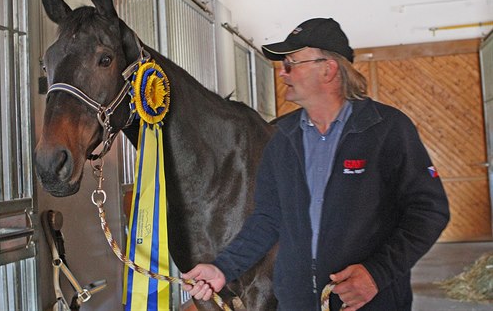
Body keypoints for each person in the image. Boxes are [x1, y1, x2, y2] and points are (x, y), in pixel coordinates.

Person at [182, 18, 450, 310]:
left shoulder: (387, 130)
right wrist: (222, 269)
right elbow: (268, 219)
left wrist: (378, 273)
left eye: (291, 63)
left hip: (370, 302)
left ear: (328, 69)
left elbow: (429, 211)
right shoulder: (282, 140)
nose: (283, 74)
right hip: (298, 302)